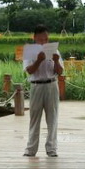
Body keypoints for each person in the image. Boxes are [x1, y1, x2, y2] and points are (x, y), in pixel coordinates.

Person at [22, 25, 63, 157]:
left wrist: (56, 61)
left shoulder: (54, 50)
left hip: (51, 85)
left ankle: (51, 149)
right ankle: (31, 149)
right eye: (40, 39)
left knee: (53, 118)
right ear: (34, 38)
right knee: (34, 118)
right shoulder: (29, 51)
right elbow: (29, 70)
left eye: (45, 39)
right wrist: (39, 60)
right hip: (36, 86)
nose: (43, 42)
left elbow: (60, 72)